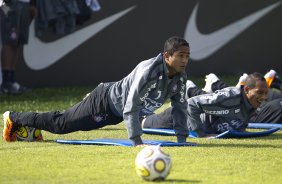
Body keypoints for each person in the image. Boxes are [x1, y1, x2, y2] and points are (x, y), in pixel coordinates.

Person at [3, 36, 190, 146]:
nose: (184, 60)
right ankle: (14, 117)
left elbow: (180, 108)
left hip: (114, 113)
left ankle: (29, 128)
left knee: (70, 123)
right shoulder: (149, 71)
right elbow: (131, 106)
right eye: (180, 56)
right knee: (61, 125)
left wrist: (182, 140)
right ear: (166, 56)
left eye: (187, 56)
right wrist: (137, 141)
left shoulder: (180, 77)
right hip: (104, 102)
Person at [143, 72, 269, 137]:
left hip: (202, 121)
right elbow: (192, 103)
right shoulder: (230, 97)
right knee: (143, 123)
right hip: (180, 117)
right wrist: (201, 134)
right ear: (246, 90)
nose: (264, 97)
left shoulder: (252, 105)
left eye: (265, 93)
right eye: (260, 93)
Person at [0, 0, 36, 94]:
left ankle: (12, 81)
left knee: (17, 42)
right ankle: (6, 82)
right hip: (11, 3)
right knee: (10, 41)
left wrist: (32, 4)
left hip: (25, 3)